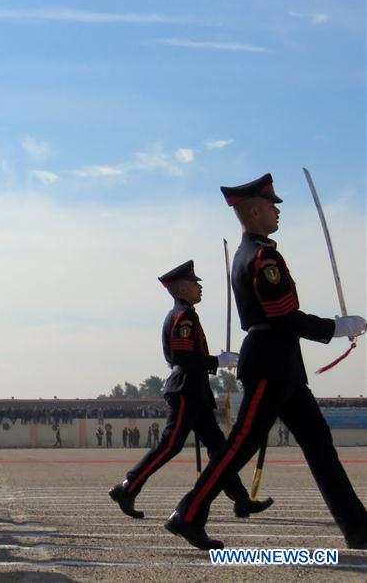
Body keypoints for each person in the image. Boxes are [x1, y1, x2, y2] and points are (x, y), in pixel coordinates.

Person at [165, 174, 367, 551]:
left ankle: (357, 527)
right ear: (255, 210)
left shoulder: (255, 253)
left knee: (319, 443)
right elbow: (282, 315)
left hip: (283, 364)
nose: (277, 212)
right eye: (272, 206)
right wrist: (335, 328)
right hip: (269, 363)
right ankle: (189, 511)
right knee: (242, 442)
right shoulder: (262, 257)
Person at [109, 260, 273, 522]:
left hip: (195, 391)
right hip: (186, 389)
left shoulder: (181, 314)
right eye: (195, 284)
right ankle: (128, 487)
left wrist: (216, 361)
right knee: (170, 445)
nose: (199, 288)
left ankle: (241, 499)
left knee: (220, 449)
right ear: (183, 288)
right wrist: (217, 361)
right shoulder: (184, 316)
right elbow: (182, 358)